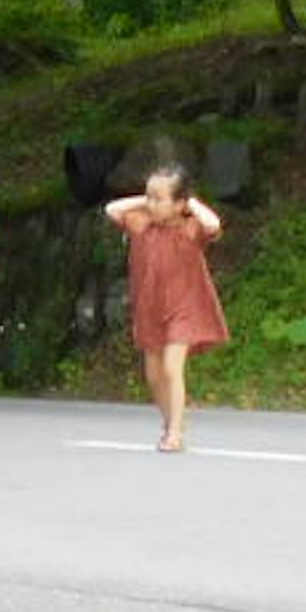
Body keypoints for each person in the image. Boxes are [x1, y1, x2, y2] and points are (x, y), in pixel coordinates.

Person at [106, 162, 227, 452]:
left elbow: (213, 225)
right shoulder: (142, 224)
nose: (152, 203)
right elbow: (112, 209)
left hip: (184, 306)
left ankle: (174, 432)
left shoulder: (190, 228)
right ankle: (171, 422)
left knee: (173, 367)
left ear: (179, 203)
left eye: (160, 199)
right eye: (149, 196)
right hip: (150, 307)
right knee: (153, 374)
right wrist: (147, 200)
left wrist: (191, 204)